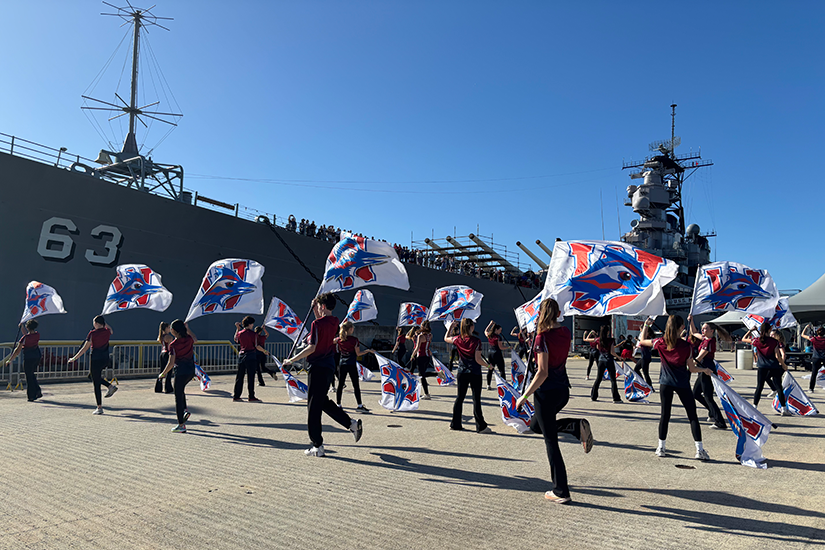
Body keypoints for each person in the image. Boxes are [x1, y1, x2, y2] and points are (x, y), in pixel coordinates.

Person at [516, 299, 593, 504]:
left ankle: (561, 490)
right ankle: (575, 426)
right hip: (562, 391)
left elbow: (542, 372)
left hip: (545, 393)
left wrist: (524, 397)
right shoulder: (566, 332)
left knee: (551, 442)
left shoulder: (542, 338)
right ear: (559, 312)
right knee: (536, 426)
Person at [282, 293, 363, 457]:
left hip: (317, 367)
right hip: (329, 366)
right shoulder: (335, 322)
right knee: (322, 401)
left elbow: (312, 347)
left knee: (313, 407)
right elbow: (322, 323)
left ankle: (317, 445)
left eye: (320, 306)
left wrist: (291, 360)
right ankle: (351, 424)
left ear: (323, 306)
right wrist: (316, 309)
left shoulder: (316, 324)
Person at [638, 316, 713, 460]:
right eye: (683, 326)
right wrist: (704, 370)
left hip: (665, 383)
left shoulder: (660, 342)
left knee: (665, 415)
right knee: (692, 416)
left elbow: (642, 341)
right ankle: (699, 450)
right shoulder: (687, 347)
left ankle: (661, 447)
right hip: (682, 383)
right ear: (679, 328)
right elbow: (691, 369)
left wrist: (646, 325)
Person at [444, 318, 491, 433]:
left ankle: (455, 423)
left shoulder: (457, 339)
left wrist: (450, 327)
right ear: (470, 327)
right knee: (476, 399)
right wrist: (488, 366)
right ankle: (481, 426)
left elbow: (445, 338)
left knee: (460, 398)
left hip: (462, 372)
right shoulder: (476, 341)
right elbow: (478, 359)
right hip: (474, 372)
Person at [68, 315, 117, 414]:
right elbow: (110, 329)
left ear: (97, 324)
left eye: (94, 322)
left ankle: (99, 407)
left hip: (95, 359)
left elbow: (85, 348)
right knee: (92, 376)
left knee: (96, 383)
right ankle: (110, 386)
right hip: (105, 359)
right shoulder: (107, 332)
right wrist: (104, 323)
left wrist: (74, 358)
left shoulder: (92, 333)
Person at [687, 316, 729, 430]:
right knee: (696, 393)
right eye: (703, 328)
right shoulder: (705, 339)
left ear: (712, 331)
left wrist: (690, 365)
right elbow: (694, 332)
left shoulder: (709, 341)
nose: (703, 330)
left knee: (708, 396)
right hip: (702, 370)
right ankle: (712, 412)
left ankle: (720, 422)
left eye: (705, 329)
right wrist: (691, 320)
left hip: (707, 370)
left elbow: (700, 357)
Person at [158, 320, 198, 433]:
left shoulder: (173, 345)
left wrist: (163, 373)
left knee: (177, 396)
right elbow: (195, 338)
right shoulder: (189, 339)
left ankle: (181, 424)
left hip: (180, 371)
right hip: (190, 370)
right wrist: (188, 328)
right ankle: (185, 410)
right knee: (181, 390)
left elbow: (171, 363)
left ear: (174, 331)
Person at [742, 322, 791, 415]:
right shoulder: (774, 341)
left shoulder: (757, 340)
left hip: (762, 366)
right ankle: (784, 409)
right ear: (770, 329)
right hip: (774, 366)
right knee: (779, 387)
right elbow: (777, 356)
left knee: (759, 387)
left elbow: (743, 339)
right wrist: (783, 364)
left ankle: (754, 407)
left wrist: (750, 330)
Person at [334, 320, 373, 412]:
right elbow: (358, 353)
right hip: (351, 364)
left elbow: (332, 342)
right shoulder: (354, 340)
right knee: (355, 385)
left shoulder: (338, 339)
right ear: (351, 329)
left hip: (342, 363)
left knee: (340, 385)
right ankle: (359, 405)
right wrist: (368, 351)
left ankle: (338, 404)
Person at [233, 316, 270, 403]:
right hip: (251, 355)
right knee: (251, 376)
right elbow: (257, 346)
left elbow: (235, 339)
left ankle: (236, 395)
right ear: (250, 324)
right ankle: (251, 396)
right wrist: (265, 351)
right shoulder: (254, 334)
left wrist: (237, 329)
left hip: (242, 355)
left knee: (240, 376)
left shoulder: (240, 333)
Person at [4, 319, 43, 402]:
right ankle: (38, 391)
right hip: (37, 356)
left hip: (29, 357)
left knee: (29, 376)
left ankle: (31, 395)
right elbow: (28, 335)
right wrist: (22, 327)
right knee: (31, 374)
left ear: (27, 327)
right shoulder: (37, 335)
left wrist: (10, 359)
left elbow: (17, 350)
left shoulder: (24, 338)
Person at [590, 325, 622, 403]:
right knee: (613, 380)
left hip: (601, 360)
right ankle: (616, 398)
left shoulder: (598, 340)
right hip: (609, 360)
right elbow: (612, 352)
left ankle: (593, 396)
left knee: (598, 378)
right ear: (608, 332)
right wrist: (618, 357)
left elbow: (597, 347)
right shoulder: (611, 340)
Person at [411, 320, 436, 399]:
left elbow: (417, 348)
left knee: (422, 375)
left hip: (421, 356)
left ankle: (427, 394)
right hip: (427, 356)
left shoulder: (421, 336)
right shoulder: (430, 335)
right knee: (422, 374)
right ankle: (436, 374)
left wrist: (412, 355)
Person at [485, 321, 510, 390]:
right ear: (496, 329)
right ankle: (504, 384)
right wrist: (508, 347)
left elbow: (485, 331)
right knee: (502, 370)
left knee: (490, 369)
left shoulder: (490, 335)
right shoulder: (498, 337)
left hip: (490, 353)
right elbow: (501, 347)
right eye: (500, 330)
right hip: (497, 353)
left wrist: (490, 324)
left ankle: (488, 384)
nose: (500, 331)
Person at [801, 325, 825, 392]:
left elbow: (802, 335)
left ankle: (811, 388)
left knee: (814, 373)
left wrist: (806, 328)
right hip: (824, 357)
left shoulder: (814, 339)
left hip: (816, 357)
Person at [156, 322, 174, 394]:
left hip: (162, 353)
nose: (170, 329)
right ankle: (168, 387)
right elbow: (170, 346)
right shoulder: (169, 337)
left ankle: (158, 387)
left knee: (162, 371)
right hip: (167, 353)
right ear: (166, 328)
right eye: (169, 328)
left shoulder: (161, 336)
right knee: (168, 371)